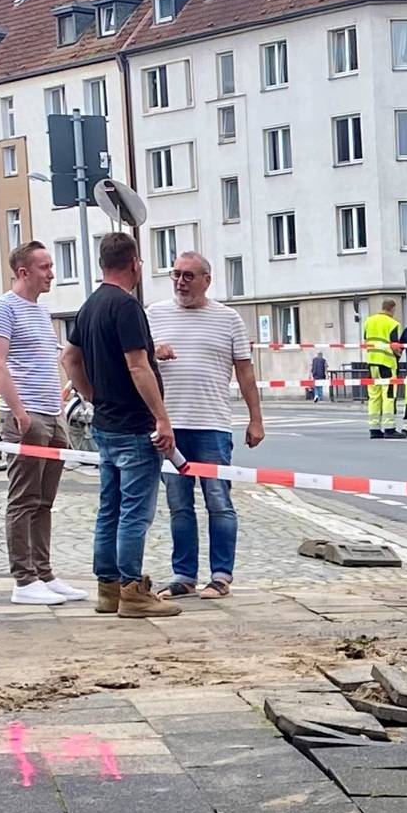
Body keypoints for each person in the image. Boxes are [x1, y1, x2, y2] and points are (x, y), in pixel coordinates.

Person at [61, 231, 181, 619]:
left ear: (102, 263)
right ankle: (133, 590)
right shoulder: (127, 308)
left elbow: (70, 358)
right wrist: (161, 417)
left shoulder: (90, 306)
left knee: (108, 508)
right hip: (134, 425)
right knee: (135, 511)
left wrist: (92, 394)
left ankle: (107, 589)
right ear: (134, 264)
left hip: (106, 424)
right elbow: (137, 365)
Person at [147, 252, 262, 599]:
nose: (181, 282)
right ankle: (184, 574)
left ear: (206, 280)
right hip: (170, 425)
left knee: (218, 501)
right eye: (176, 275)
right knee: (179, 504)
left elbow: (244, 370)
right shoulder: (154, 315)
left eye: (188, 276)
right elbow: (136, 362)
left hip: (212, 424)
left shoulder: (228, 319)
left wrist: (256, 418)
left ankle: (221, 574)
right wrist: (154, 353)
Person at [0, 242, 82, 607]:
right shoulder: (3, 308)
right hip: (25, 416)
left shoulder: (42, 313)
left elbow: (45, 359)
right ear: (23, 271)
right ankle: (23, 579)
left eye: (51, 266)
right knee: (24, 498)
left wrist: (59, 398)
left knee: (45, 500)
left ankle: (43, 572)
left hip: (51, 414)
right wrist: (20, 413)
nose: (51, 273)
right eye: (44, 267)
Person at [361, 299, 401, 438]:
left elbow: (366, 340)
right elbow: (395, 345)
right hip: (387, 364)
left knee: (374, 397)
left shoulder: (368, 321)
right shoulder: (393, 323)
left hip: (371, 363)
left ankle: (374, 428)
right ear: (392, 309)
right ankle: (389, 428)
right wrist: (399, 354)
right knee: (389, 396)